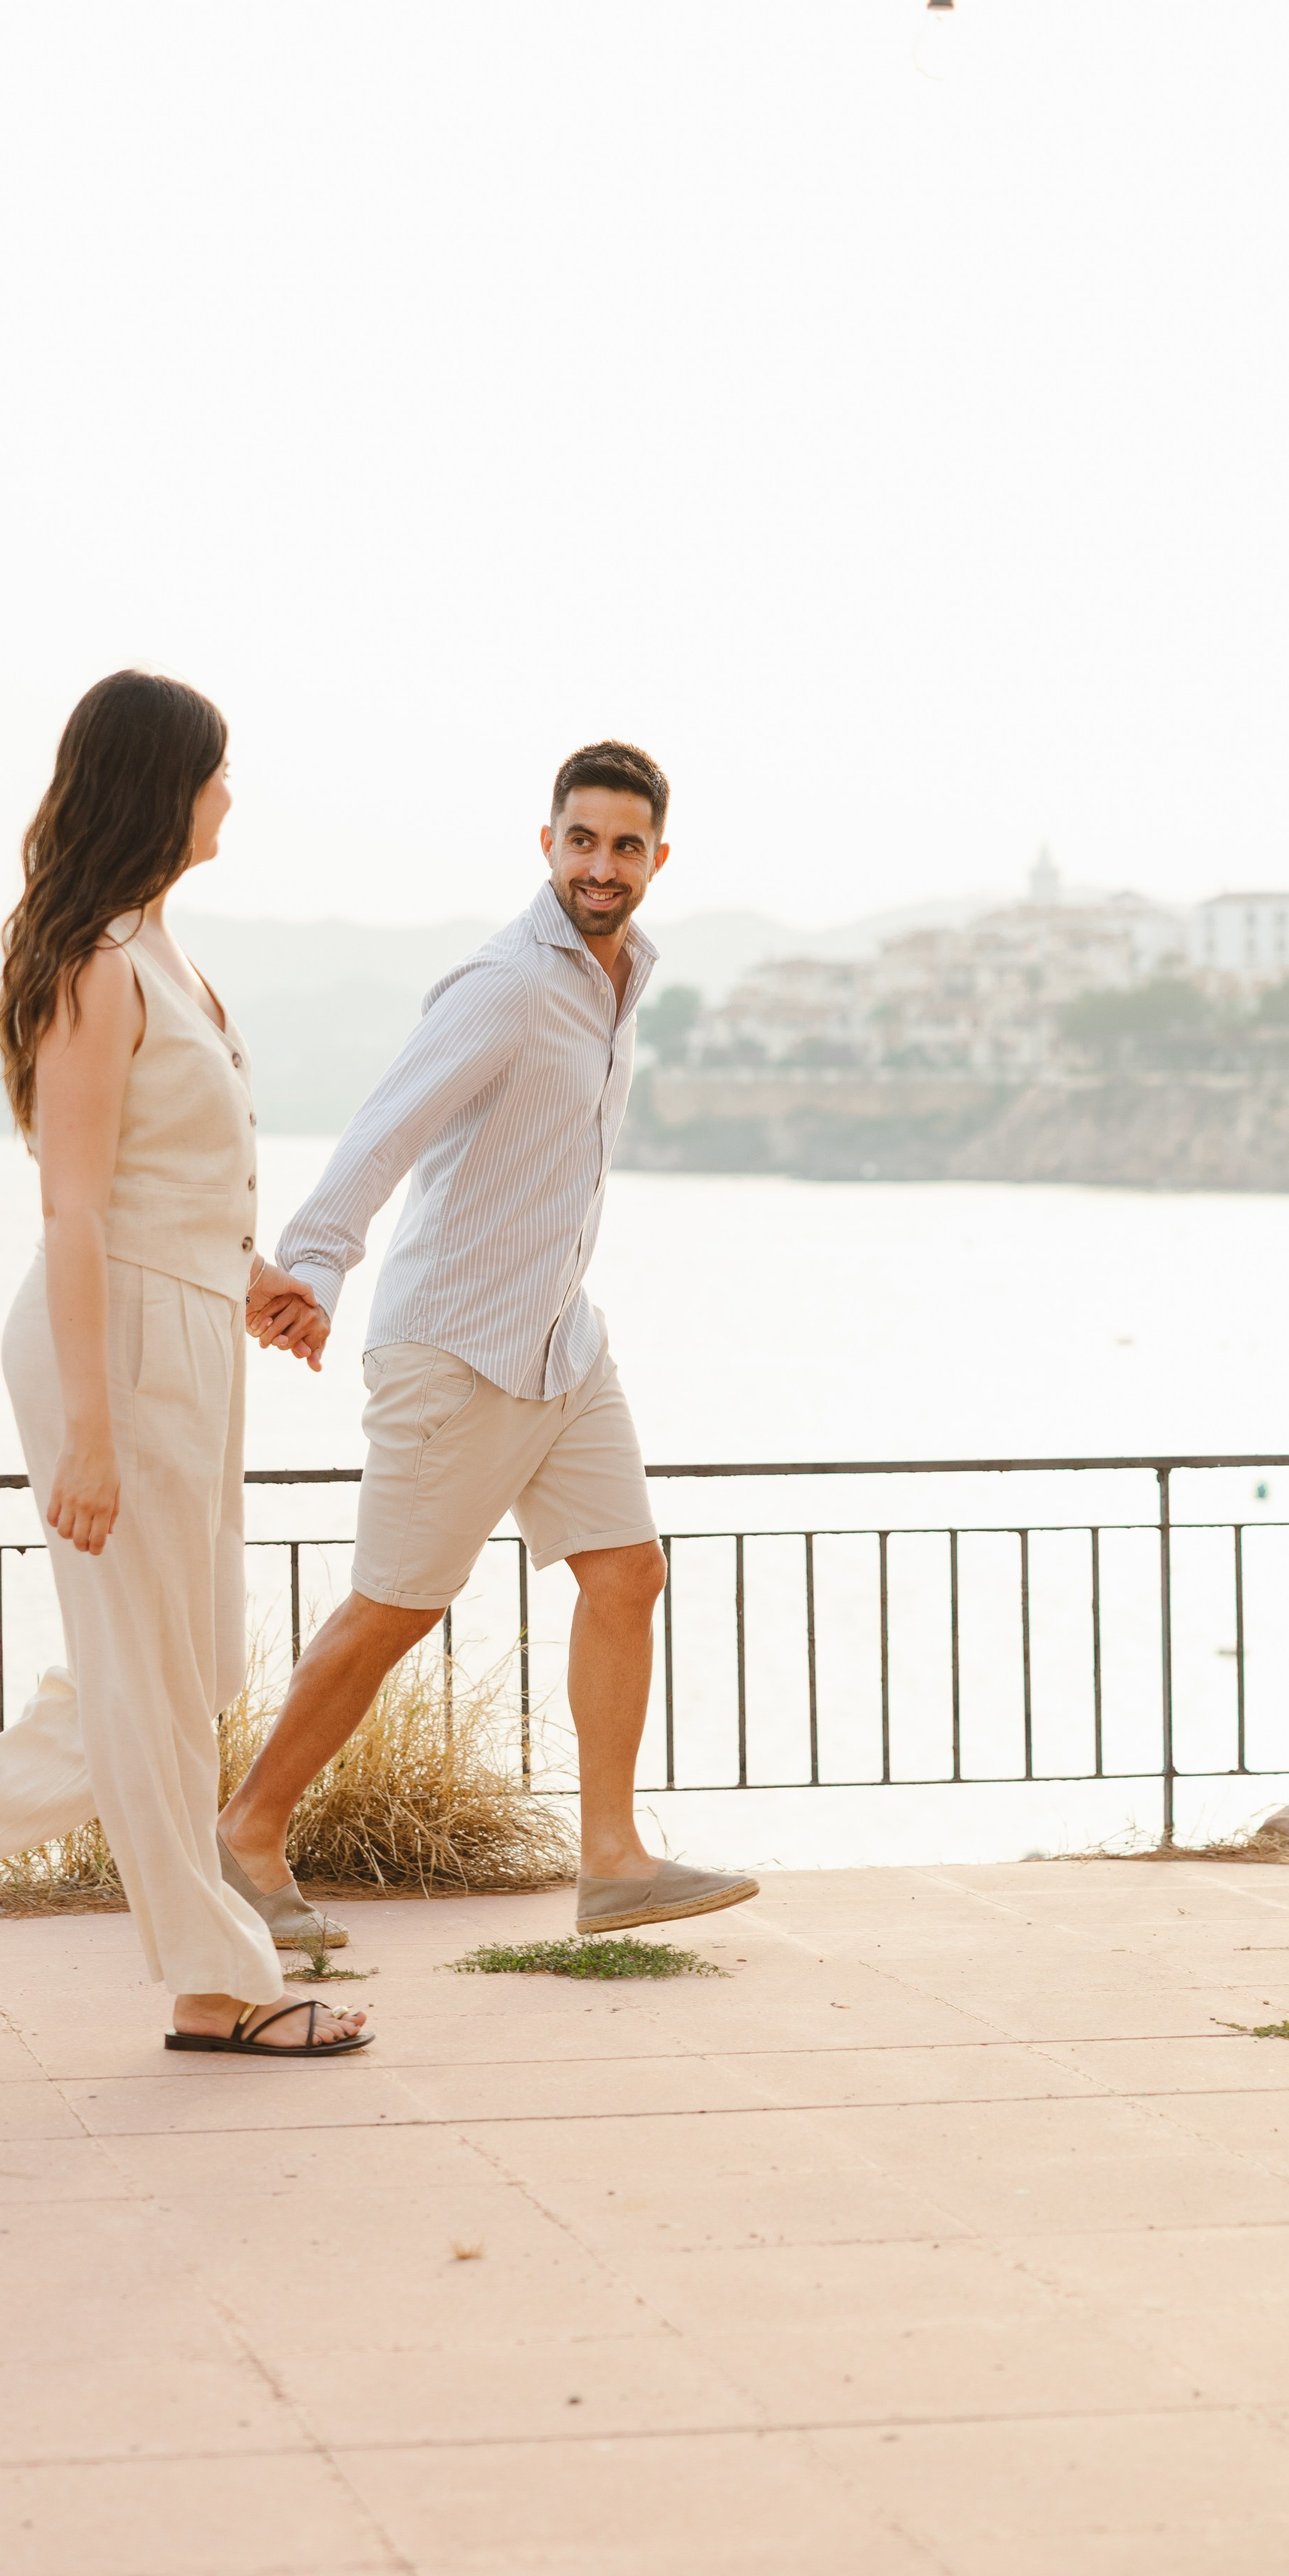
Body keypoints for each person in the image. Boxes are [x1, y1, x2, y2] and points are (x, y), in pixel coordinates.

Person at [0, 669, 368, 2060]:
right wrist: (89, 1433)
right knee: (152, 1682)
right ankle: (221, 1984)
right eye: (216, 770)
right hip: (115, 1347)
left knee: (180, 1670)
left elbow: (160, 1184)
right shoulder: (96, 963)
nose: (231, 794)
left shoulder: (164, 953)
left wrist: (252, 1278)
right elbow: (72, 1208)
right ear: (163, 786)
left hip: (180, 1330)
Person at [218, 739, 757, 1938]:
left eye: (626, 846)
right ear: (548, 842)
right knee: (397, 1606)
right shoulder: (508, 982)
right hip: (455, 1347)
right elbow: (384, 1128)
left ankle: (613, 1861)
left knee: (628, 1573)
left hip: (562, 1341)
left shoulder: (622, 978)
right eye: (583, 840)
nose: (602, 866)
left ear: (658, 859)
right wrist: (314, 1267)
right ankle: (244, 1833)